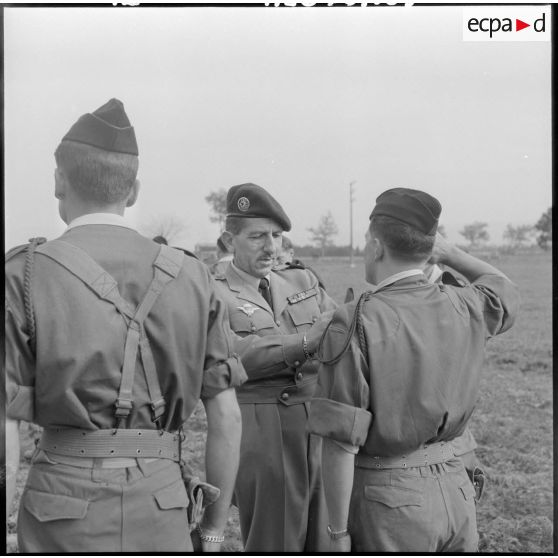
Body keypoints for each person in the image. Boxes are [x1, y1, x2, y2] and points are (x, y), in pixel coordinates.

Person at [5, 98, 246, 553]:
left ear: (59, 180)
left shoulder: (24, 273)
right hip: (163, 506)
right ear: (132, 191)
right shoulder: (194, 276)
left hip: (60, 508)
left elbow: (5, 428)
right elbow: (227, 417)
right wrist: (213, 530)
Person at [308, 187, 519, 552]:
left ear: (376, 246)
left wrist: (337, 533)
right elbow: (504, 289)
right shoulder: (465, 303)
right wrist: (450, 252)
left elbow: (341, 443)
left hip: (389, 503)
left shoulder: (355, 320)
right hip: (458, 488)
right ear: (430, 248)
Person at [213, 183, 337, 552]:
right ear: (229, 239)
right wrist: (304, 343)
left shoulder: (301, 280)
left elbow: (338, 327)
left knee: (326, 538)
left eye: (277, 236)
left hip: (318, 427)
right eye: (257, 237)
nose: (271, 247)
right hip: (264, 430)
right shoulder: (213, 292)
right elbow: (231, 354)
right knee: (276, 540)